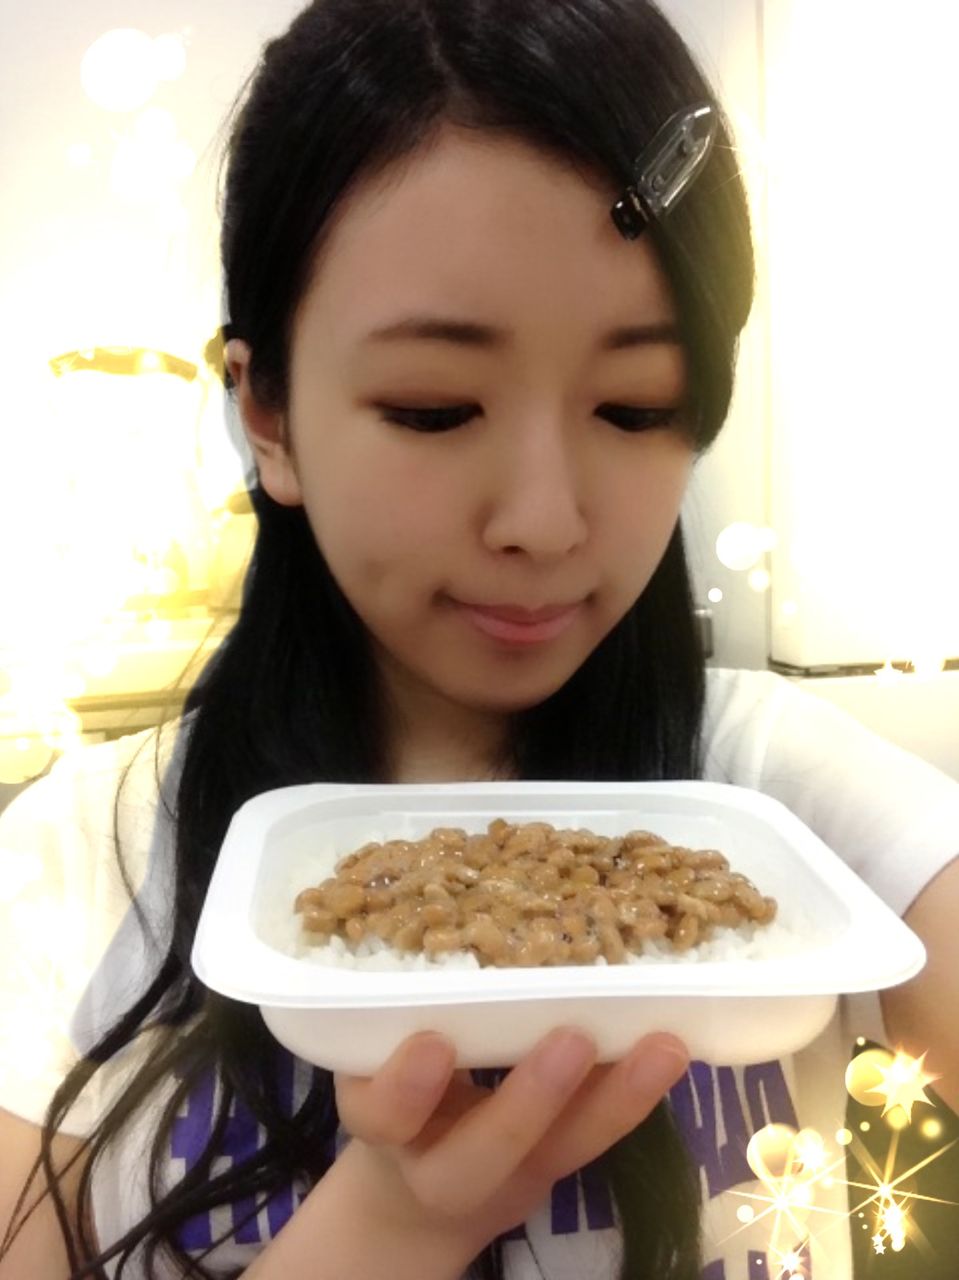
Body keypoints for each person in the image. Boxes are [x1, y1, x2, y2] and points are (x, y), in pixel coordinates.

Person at [2, 1, 958, 1277]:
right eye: (434, 406)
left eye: (636, 405)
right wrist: (390, 1226)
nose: (544, 521)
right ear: (269, 414)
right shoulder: (73, 863)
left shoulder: (775, 795)